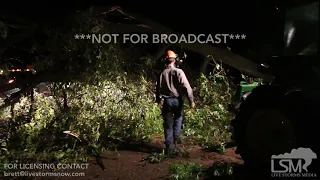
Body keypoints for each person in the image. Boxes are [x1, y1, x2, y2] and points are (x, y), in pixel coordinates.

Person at [156, 50, 195, 154]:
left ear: (166, 60)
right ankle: (175, 140)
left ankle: (170, 147)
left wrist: (158, 100)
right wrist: (191, 100)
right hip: (177, 100)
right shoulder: (179, 72)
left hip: (167, 101)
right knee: (178, 119)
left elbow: (158, 88)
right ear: (175, 60)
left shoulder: (162, 73)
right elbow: (187, 87)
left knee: (168, 124)